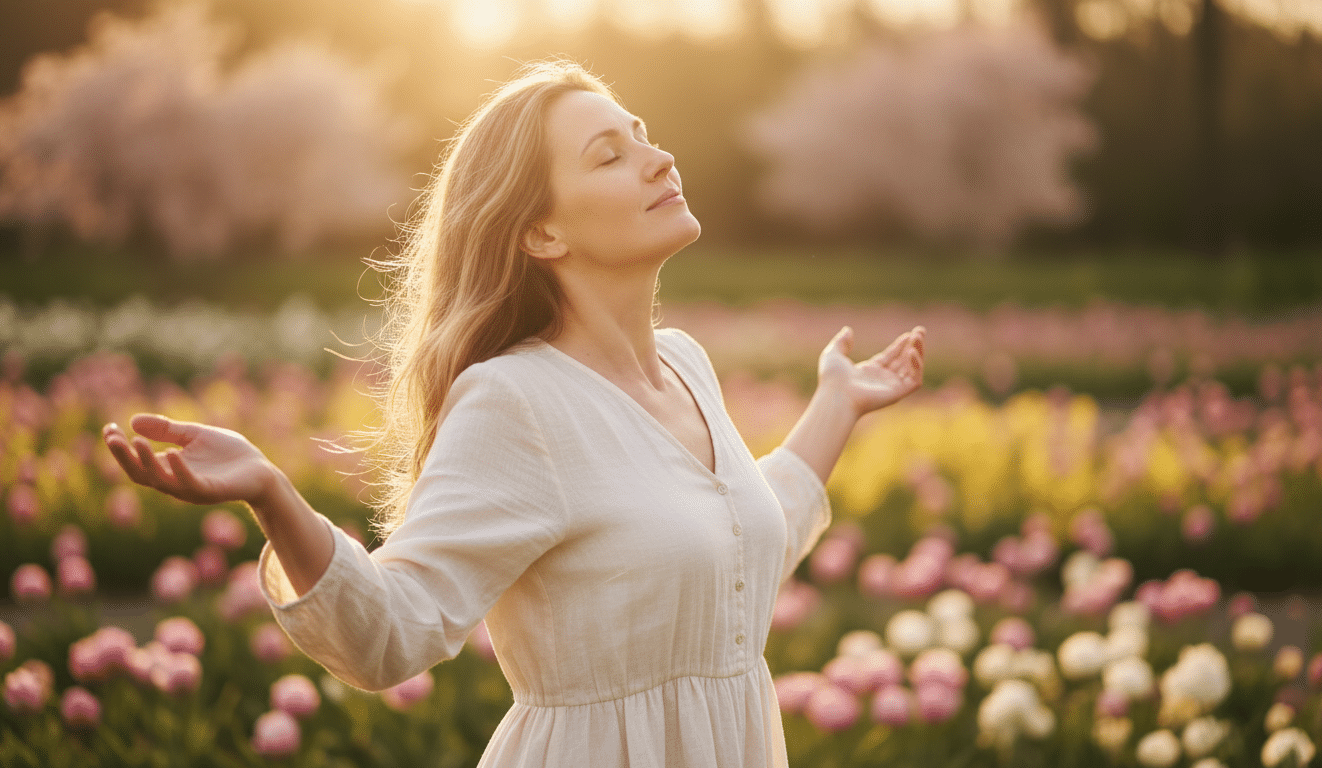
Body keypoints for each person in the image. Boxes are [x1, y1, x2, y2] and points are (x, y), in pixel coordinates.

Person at [102, 60, 925, 768]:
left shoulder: (685, 364)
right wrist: (274, 494)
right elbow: (389, 632)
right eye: (612, 154)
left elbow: (730, 558)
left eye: (644, 135)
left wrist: (836, 406)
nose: (659, 158)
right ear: (540, 233)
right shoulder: (515, 402)